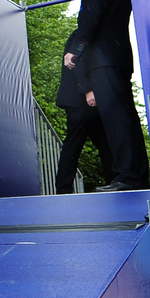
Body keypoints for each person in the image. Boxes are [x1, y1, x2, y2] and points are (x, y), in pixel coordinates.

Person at [65, 0, 149, 191]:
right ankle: (136, 175)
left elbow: (91, 16)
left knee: (115, 118)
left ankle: (126, 177)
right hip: (119, 58)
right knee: (126, 117)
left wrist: (75, 50)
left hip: (103, 61)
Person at [54, 33, 114, 194]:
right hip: (79, 101)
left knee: (100, 144)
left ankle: (114, 181)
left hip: (82, 101)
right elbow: (75, 63)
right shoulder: (82, 36)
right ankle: (63, 189)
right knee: (76, 144)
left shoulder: (82, 35)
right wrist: (87, 89)